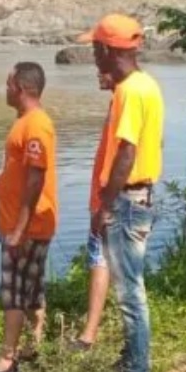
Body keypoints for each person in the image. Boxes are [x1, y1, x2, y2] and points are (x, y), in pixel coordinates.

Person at [77, 14, 165, 372]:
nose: (94, 56)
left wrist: (105, 205)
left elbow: (127, 152)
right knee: (132, 287)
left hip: (127, 200)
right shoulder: (147, 85)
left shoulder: (130, 90)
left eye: (96, 49)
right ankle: (132, 360)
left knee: (130, 292)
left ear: (109, 50)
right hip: (140, 196)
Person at [0, 62, 58, 372]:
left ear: (19, 87)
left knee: (14, 293)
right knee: (33, 290)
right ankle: (35, 351)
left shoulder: (36, 125)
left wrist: (19, 229)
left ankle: (5, 363)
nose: (4, 89)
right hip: (24, 225)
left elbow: (36, 178)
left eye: (7, 83)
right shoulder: (25, 122)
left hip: (26, 228)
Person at [70, 69, 115, 352]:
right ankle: (93, 330)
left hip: (111, 199)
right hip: (109, 197)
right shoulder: (121, 100)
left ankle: (89, 335)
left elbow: (125, 154)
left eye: (103, 67)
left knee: (100, 260)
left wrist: (104, 204)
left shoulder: (126, 99)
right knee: (106, 262)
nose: (99, 72)